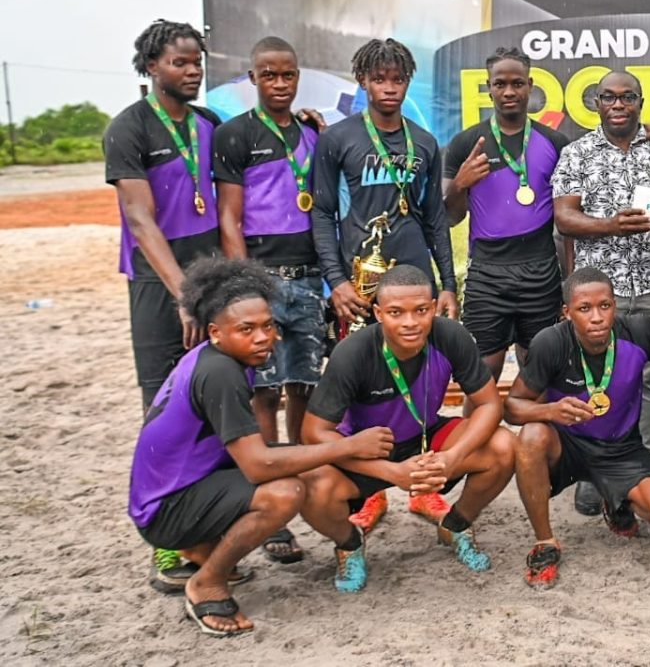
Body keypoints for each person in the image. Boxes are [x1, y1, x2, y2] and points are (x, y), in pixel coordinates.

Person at [128, 257, 394, 637]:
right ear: (215, 332)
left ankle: (201, 550)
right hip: (164, 510)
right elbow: (257, 466)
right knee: (285, 492)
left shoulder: (221, 358)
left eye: (268, 325)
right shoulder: (219, 372)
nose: (262, 337)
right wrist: (348, 446)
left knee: (297, 465)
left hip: (178, 488)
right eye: (246, 329)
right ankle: (207, 583)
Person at [310, 38, 458, 527]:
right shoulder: (338, 139)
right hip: (361, 281)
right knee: (362, 377)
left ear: (407, 81)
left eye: (397, 79)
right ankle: (370, 489)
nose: (389, 89)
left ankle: (422, 484)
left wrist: (447, 285)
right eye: (379, 79)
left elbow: (437, 219)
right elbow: (324, 214)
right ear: (363, 81)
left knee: (421, 374)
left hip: (415, 278)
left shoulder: (425, 141)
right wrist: (335, 280)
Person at [299, 265, 516, 591]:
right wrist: (391, 472)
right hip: (366, 450)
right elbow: (313, 433)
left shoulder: (451, 336)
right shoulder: (352, 352)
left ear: (433, 307)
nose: (411, 322)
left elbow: (489, 404)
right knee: (311, 485)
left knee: (504, 446)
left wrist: (453, 458)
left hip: (425, 437)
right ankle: (349, 543)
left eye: (420, 311)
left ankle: (455, 524)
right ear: (378, 313)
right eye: (396, 313)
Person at [104, 19, 222, 591]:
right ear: (152, 66)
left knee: (221, 404)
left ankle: (210, 535)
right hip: (160, 289)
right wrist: (185, 296)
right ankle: (169, 548)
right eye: (180, 62)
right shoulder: (128, 129)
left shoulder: (209, 124)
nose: (192, 71)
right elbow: (139, 219)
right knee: (166, 410)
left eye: (197, 61)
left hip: (212, 285)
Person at [213, 36, 324, 562]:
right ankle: (271, 508)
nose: (280, 84)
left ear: (298, 76)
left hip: (309, 278)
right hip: (261, 279)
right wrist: (247, 286)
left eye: (288, 75)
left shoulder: (312, 133)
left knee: (303, 387)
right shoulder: (234, 136)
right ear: (253, 78)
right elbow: (229, 220)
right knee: (265, 394)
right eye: (269, 75)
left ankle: (303, 488)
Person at [551, 70, 650, 512]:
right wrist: (610, 225)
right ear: (596, 102)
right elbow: (564, 218)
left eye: (628, 97)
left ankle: (638, 462)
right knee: (596, 378)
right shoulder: (577, 153)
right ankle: (594, 469)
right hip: (599, 290)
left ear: (641, 102)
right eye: (609, 97)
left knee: (646, 378)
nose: (619, 104)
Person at [507, 267, 650, 588]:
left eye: (605, 306)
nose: (597, 317)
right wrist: (550, 410)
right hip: (567, 446)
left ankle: (617, 503)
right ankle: (544, 543)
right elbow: (513, 407)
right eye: (584, 309)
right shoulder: (550, 343)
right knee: (531, 434)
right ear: (567, 312)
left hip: (622, 448)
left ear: (615, 305)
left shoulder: (640, 331)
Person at [443, 47, 569, 381]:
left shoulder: (555, 142)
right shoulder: (465, 143)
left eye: (517, 83)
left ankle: (533, 436)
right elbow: (449, 217)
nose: (509, 91)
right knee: (482, 378)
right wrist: (459, 184)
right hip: (487, 273)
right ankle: (483, 435)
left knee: (539, 376)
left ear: (530, 85)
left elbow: (569, 219)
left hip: (541, 271)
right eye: (500, 84)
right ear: (488, 87)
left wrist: (568, 282)